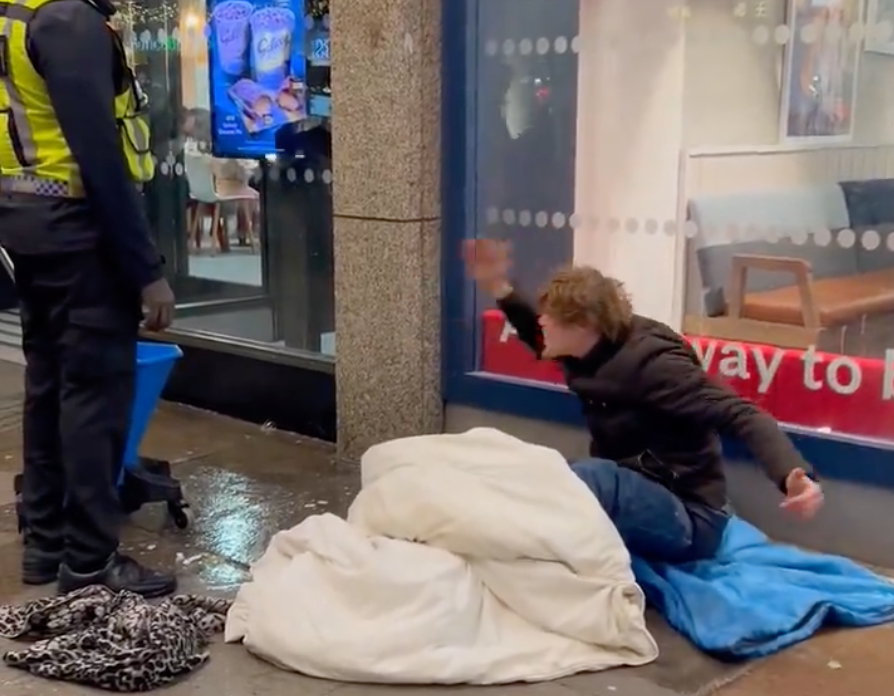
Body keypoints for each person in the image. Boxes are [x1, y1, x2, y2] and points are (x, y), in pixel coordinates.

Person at [463, 239, 824, 563]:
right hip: (636, 488)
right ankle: (483, 524)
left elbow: (740, 413)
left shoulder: (655, 365)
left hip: (691, 518)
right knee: (551, 470)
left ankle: (500, 543)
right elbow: (537, 332)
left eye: (551, 318)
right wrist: (498, 284)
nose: (541, 323)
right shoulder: (583, 347)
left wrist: (794, 474)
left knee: (590, 478)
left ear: (583, 324)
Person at [0, 0, 177, 596]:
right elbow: (101, 158)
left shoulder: (16, 14)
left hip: (29, 225)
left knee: (49, 386)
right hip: (81, 231)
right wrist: (146, 270)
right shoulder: (66, 21)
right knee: (93, 400)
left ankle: (46, 546)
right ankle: (89, 560)